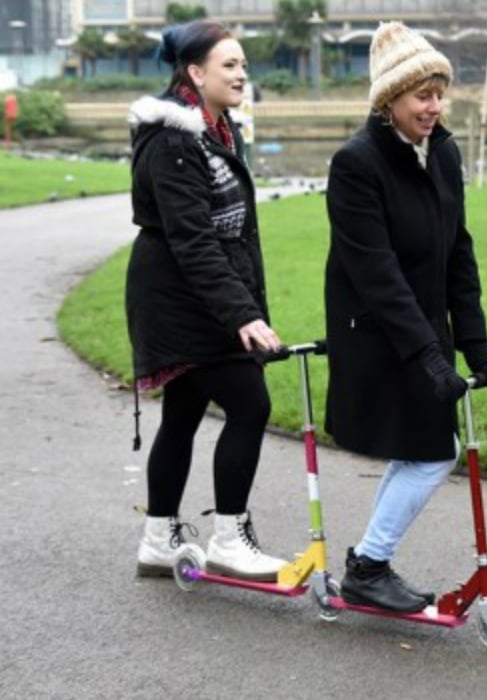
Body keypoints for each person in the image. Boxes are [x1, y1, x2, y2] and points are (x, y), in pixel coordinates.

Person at [323, 21, 487, 614]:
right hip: (379, 335)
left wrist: (474, 343)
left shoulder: (443, 153)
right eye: (421, 96)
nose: (434, 106)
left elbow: (458, 251)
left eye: (439, 93)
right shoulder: (356, 164)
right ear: (388, 100)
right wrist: (429, 353)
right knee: (433, 451)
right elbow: (376, 273)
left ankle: (366, 564)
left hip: (424, 331)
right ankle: (370, 564)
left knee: (419, 449)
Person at [127, 20, 287, 581]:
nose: (243, 74)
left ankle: (157, 537)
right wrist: (242, 313)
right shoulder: (173, 141)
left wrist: (249, 301)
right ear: (195, 72)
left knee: (186, 410)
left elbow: (235, 233)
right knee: (250, 403)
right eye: (230, 65)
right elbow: (193, 240)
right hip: (177, 296)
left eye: (244, 64)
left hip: (198, 291)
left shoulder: (218, 130)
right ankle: (228, 538)